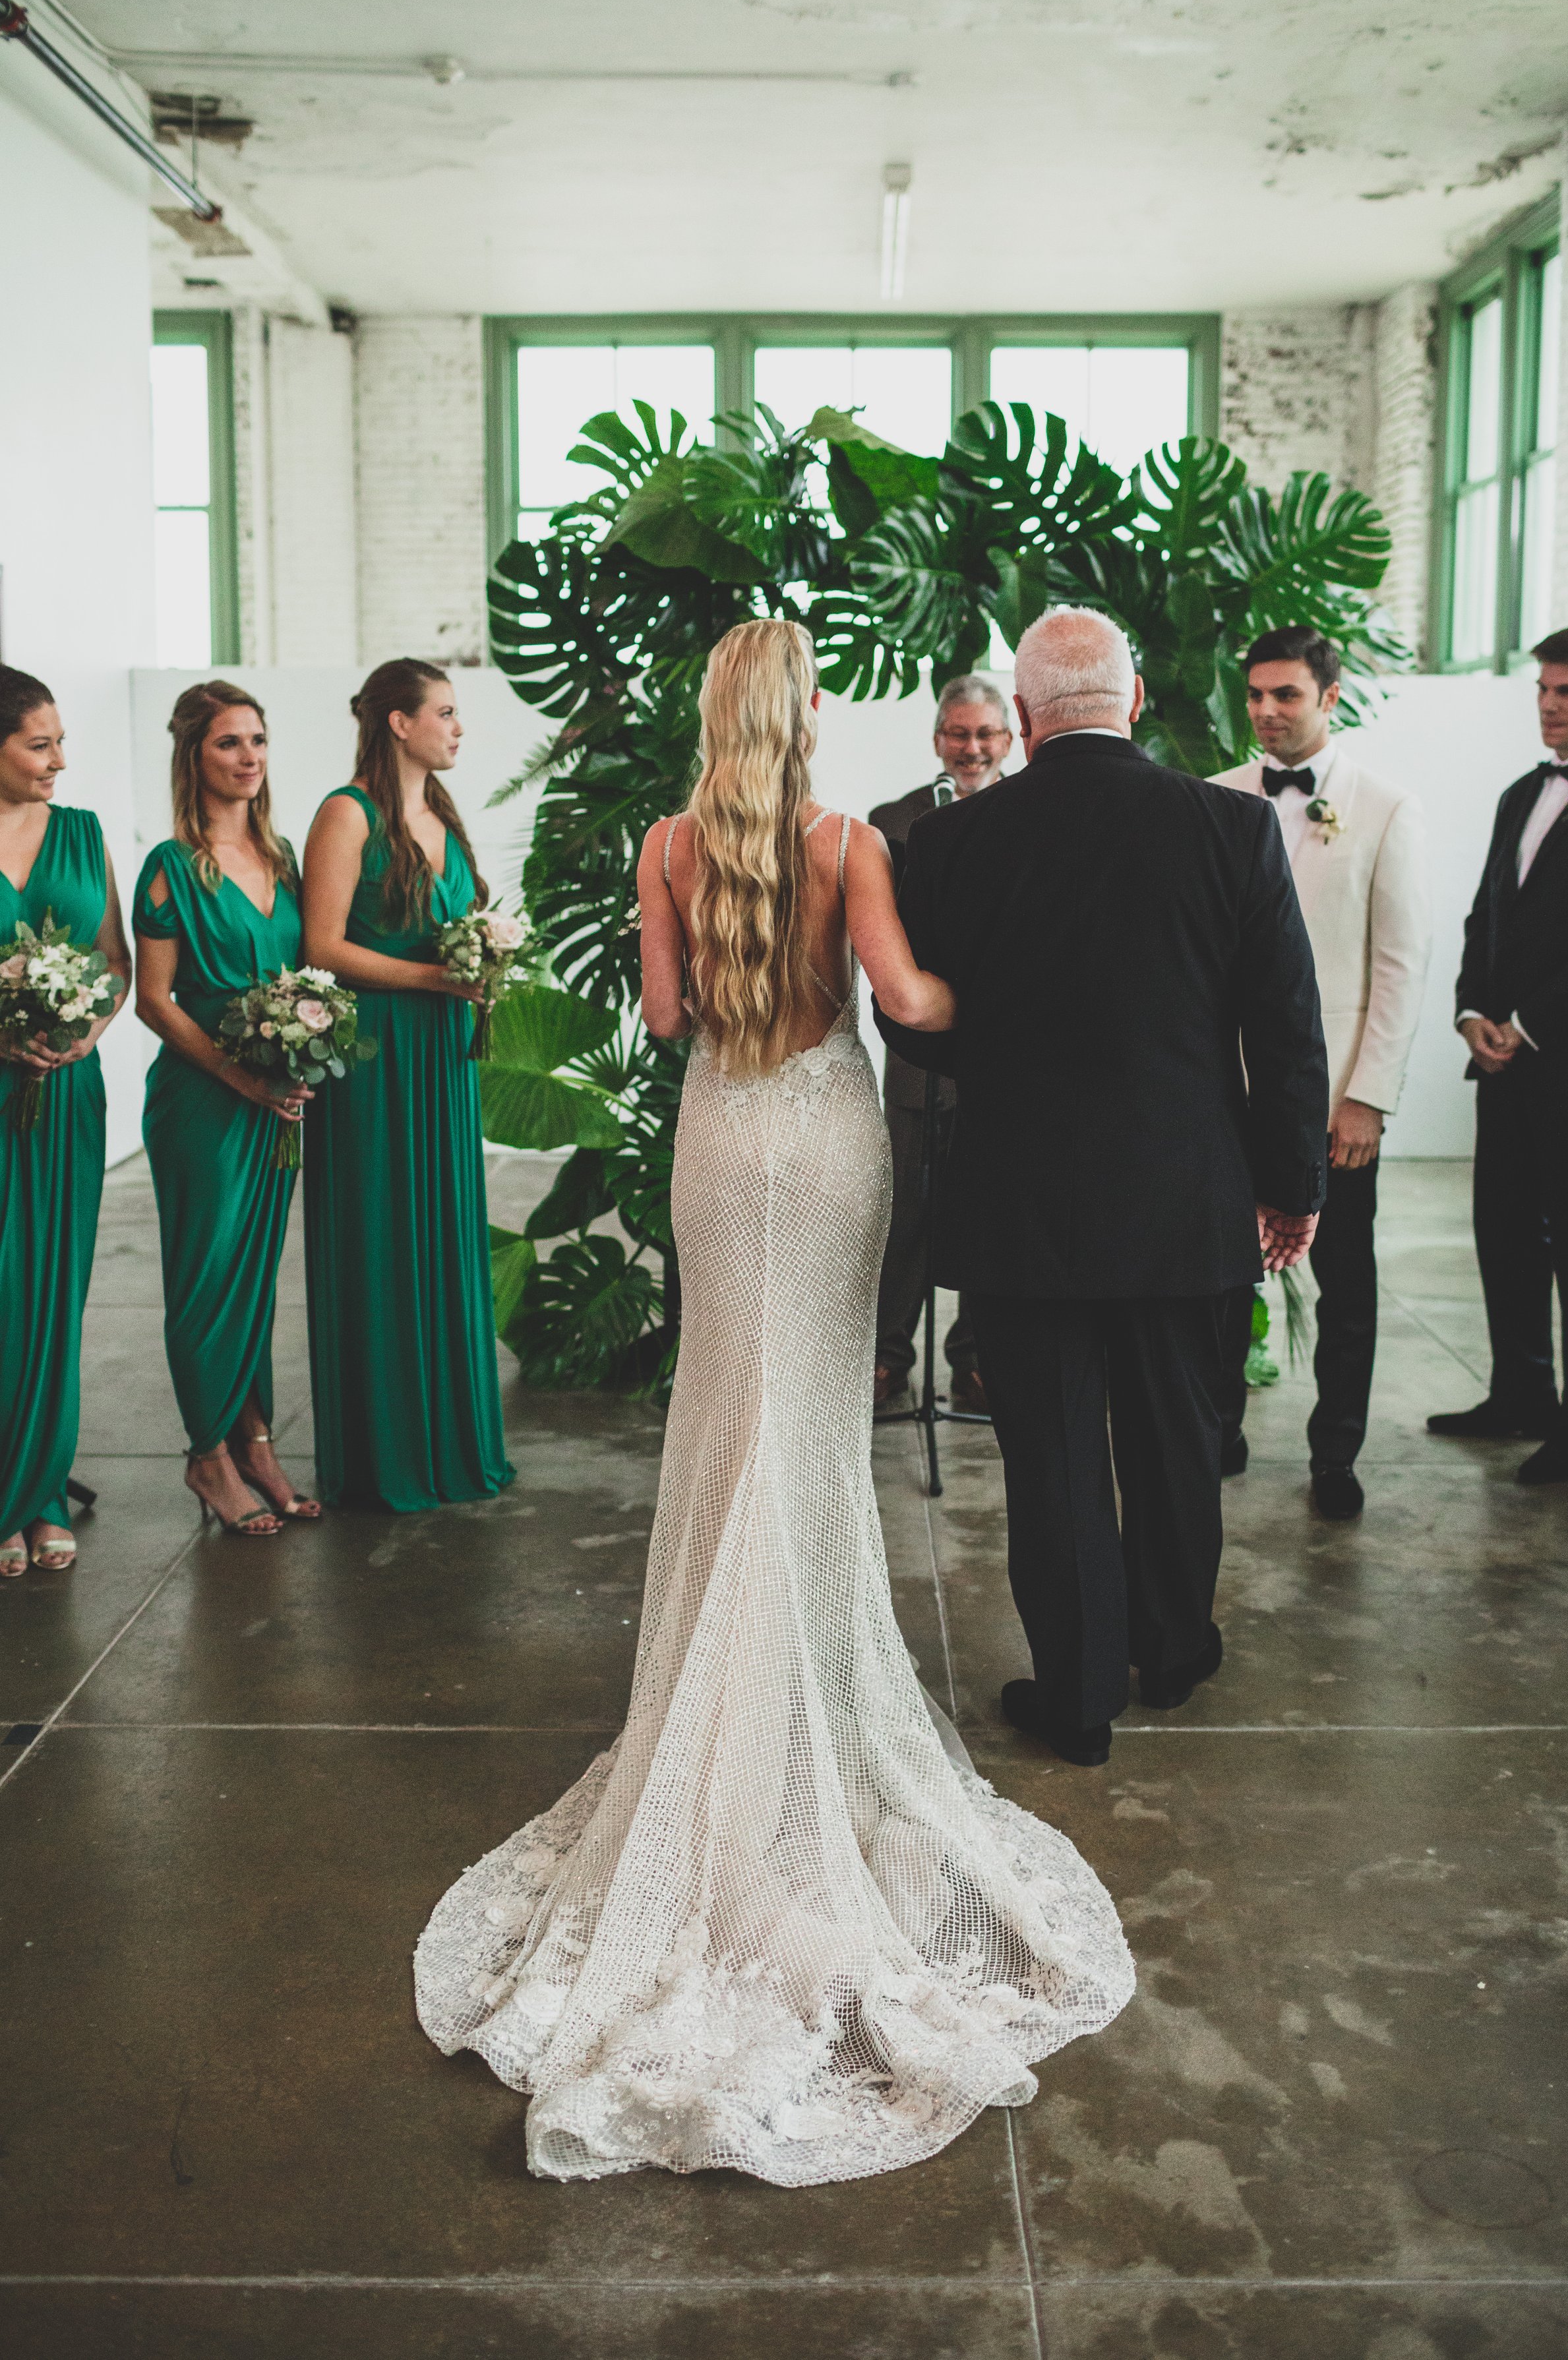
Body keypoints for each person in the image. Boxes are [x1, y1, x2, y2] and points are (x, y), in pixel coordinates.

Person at [415, 618, 1133, 2187]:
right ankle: (793, 1701)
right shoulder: (849, 840)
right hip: (826, 1147)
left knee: (727, 1420)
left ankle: (711, 1711)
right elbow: (910, 1003)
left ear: (709, 713)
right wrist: (1005, 973)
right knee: (806, 1428)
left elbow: (666, 1020)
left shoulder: (671, 842)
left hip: (724, 1140)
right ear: (800, 713)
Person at [878, 607, 1327, 1764]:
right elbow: (1284, 1029)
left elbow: (917, 1030)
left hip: (1025, 1207)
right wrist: (1293, 1186)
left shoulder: (951, 845)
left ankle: (1078, 1695)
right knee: (1181, 1438)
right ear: (1135, 702)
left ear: (1022, 721)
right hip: (1189, 1198)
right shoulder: (1230, 829)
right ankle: (1174, 1650)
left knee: (1054, 1451)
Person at [1209, 627, 1430, 1519]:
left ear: (1329, 698)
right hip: (1226, 1092)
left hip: (1335, 1097)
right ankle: (1218, 1430)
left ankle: (1336, 1450)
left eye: (1287, 694)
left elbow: (1401, 966)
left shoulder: (1385, 808)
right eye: (1256, 694)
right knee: (1221, 1276)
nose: (1266, 710)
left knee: (1345, 1284)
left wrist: (1367, 1097)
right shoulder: (1216, 800)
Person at [1428, 623, 1568, 1484]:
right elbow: (1488, 913)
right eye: (1543, 690)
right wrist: (1472, 1012)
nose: (1550, 706)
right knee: (1506, 1226)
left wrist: (1530, 1022)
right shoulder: (1523, 791)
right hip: (1502, 1053)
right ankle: (1521, 1391)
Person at [301, 659, 514, 1512]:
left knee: (443, 1238)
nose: (458, 729)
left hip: (442, 1058)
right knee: (382, 1241)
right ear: (398, 722)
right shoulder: (345, 813)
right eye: (446, 712)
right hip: (377, 1058)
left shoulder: (442, 813)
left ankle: (451, 1441)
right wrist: (435, 982)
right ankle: (384, 1453)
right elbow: (321, 947)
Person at [133, 681, 317, 1537]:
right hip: (204, 1106)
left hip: (276, 1103)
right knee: (206, 1279)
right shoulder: (170, 869)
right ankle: (208, 1456)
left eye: (257, 740)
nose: (248, 757)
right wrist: (246, 1080)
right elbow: (155, 1001)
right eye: (228, 744)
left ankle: (256, 1441)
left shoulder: (284, 859)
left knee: (253, 1282)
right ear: (193, 757)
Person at [0, 665, 130, 1577]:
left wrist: (78, 1027)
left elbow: (115, 961)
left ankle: (38, 1490)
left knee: (51, 1293)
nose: (59, 760)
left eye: (60, 740)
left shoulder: (82, 835)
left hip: (66, 1097)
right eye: (39, 743)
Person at [869, 674, 1014, 1417]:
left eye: (985, 733)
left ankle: (978, 1360)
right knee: (905, 1210)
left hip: (1003, 1054)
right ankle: (888, 1358)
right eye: (958, 733)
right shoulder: (890, 821)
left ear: (1009, 738)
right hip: (917, 1055)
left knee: (992, 1210)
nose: (972, 747)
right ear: (938, 740)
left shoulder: (1030, 815)